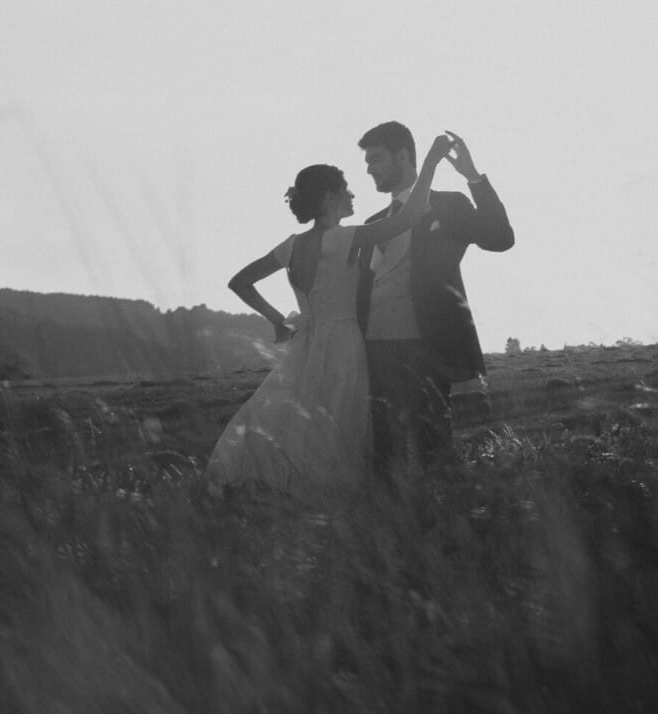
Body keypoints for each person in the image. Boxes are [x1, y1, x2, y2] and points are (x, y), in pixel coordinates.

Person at [207, 133, 453, 494]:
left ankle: (290, 485)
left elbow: (239, 282)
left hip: (305, 344)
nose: (353, 194)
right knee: (338, 423)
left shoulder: (291, 246)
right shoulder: (344, 237)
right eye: (346, 189)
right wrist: (430, 163)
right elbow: (411, 216)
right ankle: (330, 493)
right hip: (345, 342)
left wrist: (277, 319)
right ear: (328, 197)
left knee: (299, 419)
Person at [356, 123, 514, 475]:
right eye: (366, 161)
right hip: (373, 349)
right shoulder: (373, 222)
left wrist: (473, 176)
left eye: (376, 159)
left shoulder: (448, 205)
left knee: (432, 445)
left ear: (403, 156)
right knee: (382, 451)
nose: (369, 168)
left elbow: (500, 237)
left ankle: (441, 518)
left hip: (426, 345)